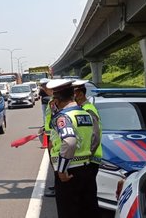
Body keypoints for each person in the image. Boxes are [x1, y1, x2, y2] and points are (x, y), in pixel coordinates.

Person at [47, 79, 100, 218]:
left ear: (57, 100)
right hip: (86, 169)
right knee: (88, 211)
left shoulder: (63, 117)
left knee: (68, 212)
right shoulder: (86, 114)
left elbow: (69, 142)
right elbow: (95, 138)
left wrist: (62, 170)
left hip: (69, 174)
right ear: (72, 95)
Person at [72, 79, 101, 215]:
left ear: (81, 94)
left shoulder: (88, 110)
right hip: (88, 159)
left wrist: (88, 155)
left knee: (89, 198)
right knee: (85, 196)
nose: (73, 95)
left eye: (75, 93)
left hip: (91, 159)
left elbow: (95, 136)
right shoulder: (81, 109)